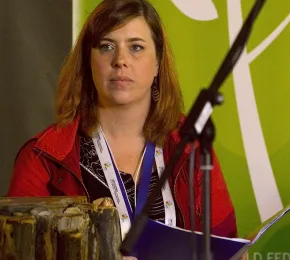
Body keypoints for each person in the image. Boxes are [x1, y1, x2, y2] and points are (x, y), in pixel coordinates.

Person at [7, 0, 238, 248]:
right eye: (106, 46)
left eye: (136, 47)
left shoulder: (189, 144)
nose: (121, 60)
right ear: (88, 61)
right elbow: (16, 249)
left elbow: (224, 246)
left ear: (158, 62)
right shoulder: (44, 157)